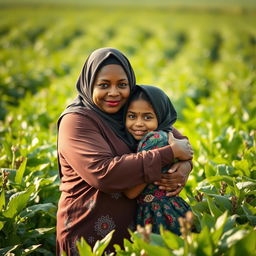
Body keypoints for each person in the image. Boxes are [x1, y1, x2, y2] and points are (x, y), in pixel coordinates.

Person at [56, 47, 193, 255]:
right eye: (103, 85)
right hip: (87, 236)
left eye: (122, 85)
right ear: (88, 83)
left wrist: (185, 166)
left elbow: (178, 140)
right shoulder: (76, 121)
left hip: (132, 237)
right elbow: (103, 174)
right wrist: (169, 154)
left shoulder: (129, 111)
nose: (113, 93)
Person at [124, 85, 192, 235]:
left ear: (160, 117)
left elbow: (131, 192)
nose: (139, 123)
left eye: (147, 117)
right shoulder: (164, 135)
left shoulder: (154, 140)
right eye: (131, 116)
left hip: (160, 212)